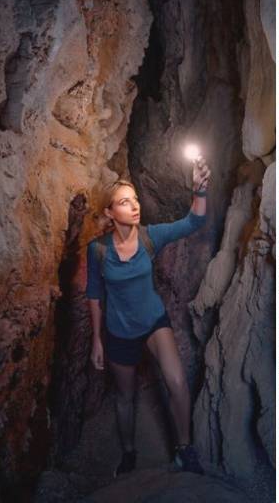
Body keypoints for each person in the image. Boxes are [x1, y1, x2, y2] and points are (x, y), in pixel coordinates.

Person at [86, 155, 212, 477]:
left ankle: (184, 449)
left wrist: (199, 190)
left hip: (154, 321)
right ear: (110, 213)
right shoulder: (98, 250)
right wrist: (96, 341)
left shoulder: (149, 236)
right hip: (119, 331)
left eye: (135, 199)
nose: (134, 206)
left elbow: (193, 222)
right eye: (124, 203)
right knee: (125, 398)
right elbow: (95, 294)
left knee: (177, 382)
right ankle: (129, 453)